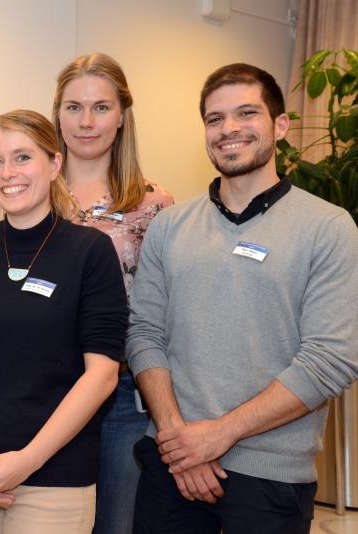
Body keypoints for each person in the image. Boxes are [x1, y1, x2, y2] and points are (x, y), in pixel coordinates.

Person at [127, 63, 358, 533]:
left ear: (280, 125)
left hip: (268, 480)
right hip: (169, 467)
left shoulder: (329, 228)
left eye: (246, 113)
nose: (229, 129)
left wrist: (217, 435)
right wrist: (179, 440)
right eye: (214, 119)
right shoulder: (170, 226)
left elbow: (331, 359)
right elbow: (144, 333)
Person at [0, 109, 128, 534]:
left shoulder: (90, 252)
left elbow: (103, 375)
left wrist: (28, 460)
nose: (7, 173)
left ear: (55, 164)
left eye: (22, 157)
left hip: (54, 478)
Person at [52, 52, 173, 534]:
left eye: (100, 107)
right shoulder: (32, 191)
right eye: (73, 107)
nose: (85, 122)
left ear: (122, 115)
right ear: (56, 112)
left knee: (115, 526)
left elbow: (163, 309)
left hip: (124, 393)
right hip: (45, 389)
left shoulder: (154, 202)